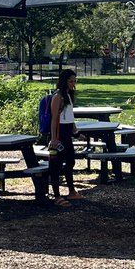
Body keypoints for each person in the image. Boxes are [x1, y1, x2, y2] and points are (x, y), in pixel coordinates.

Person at [48, 68, 80, 207]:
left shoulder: (68, 95)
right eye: (71, 81)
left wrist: (76, 132)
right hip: (59, 134)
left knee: (71, 161)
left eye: (74, 81)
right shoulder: (58, 96)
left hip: (67, 133)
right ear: (64, 81)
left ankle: (72, 191)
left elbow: (70, 117)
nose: (73, 84)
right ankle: (56, 196)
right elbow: (54, 119)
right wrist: (54, 139)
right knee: (56, 165)